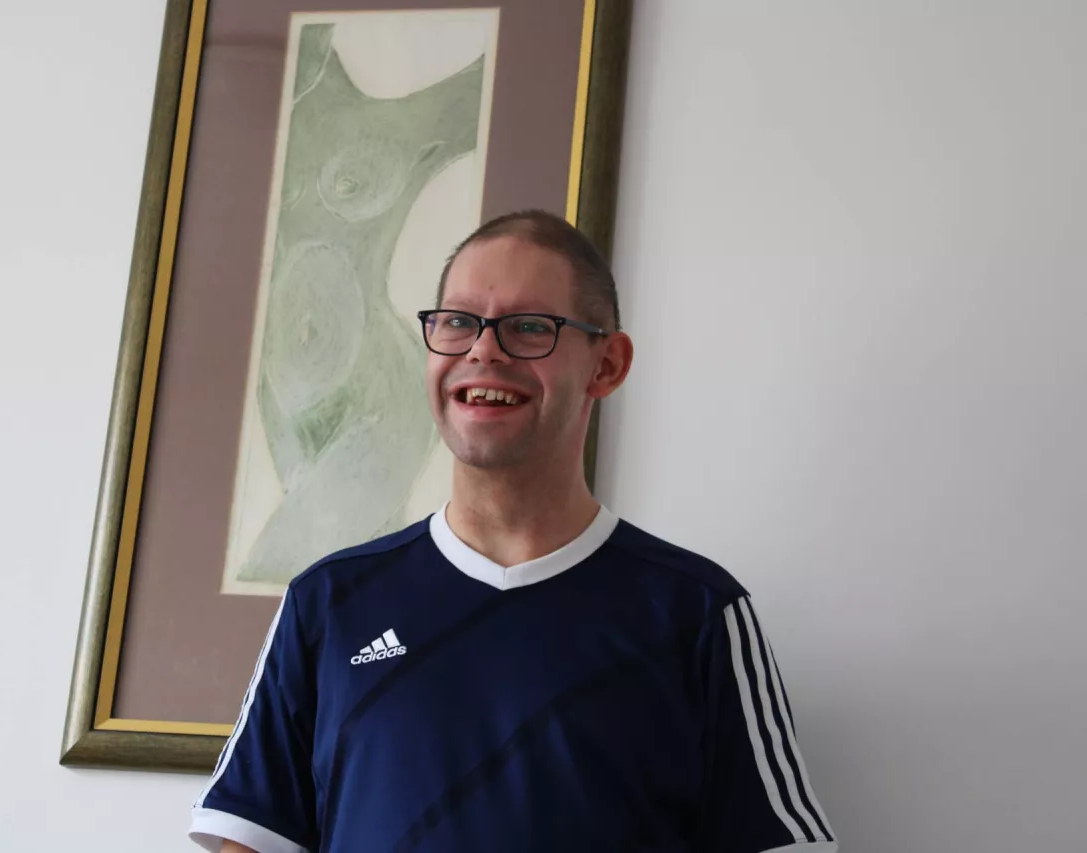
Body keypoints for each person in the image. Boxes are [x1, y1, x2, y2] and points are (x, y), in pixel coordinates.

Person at [190, 210, 838, 853]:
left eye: (529, 327)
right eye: (458, 322)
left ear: (607, 364)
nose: (483, 350)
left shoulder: (698, 610)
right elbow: (251, 841)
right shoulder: (327, 603)